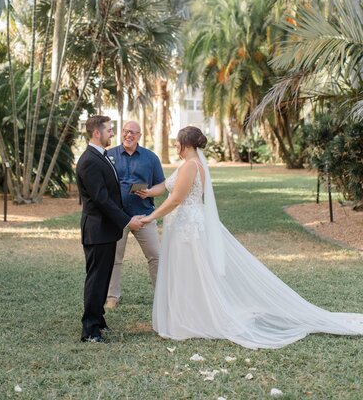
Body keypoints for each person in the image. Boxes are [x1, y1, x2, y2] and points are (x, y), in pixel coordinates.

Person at [138, 125, 363, 349]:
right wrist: (148, 192)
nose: (175, 146)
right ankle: (189, 315)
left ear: (185, 144)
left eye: (177, 142)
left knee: (191, 270)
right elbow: (169, 187)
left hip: (188, 226)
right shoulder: (190, 164)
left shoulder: (190, 166)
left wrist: (150, 217)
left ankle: (193, 319)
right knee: (188, 271)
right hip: (186, 224)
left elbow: (176, 199)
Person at [76, 115, 144, 343]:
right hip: (97, 230)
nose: (112, 134)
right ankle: (90, 330)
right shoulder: (89, 161)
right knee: (96, 280)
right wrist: (127, 221)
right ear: (97, 133)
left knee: (103, 278)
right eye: (108, 130)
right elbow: (102, 200)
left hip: (105, 230)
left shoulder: (101, 157)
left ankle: (99, 319)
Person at [105, 120, 165, 309]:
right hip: (117, 217)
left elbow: (161, 185)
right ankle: (112, 297)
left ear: (140, 135)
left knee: (156, 256)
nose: (128, 135)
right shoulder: (109, 155)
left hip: (144, 216)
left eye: (133, 133)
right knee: (114, 258)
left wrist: (149, 192)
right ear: (121, 133)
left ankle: (162, 295)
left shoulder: (151, 158)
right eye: (125, 131)